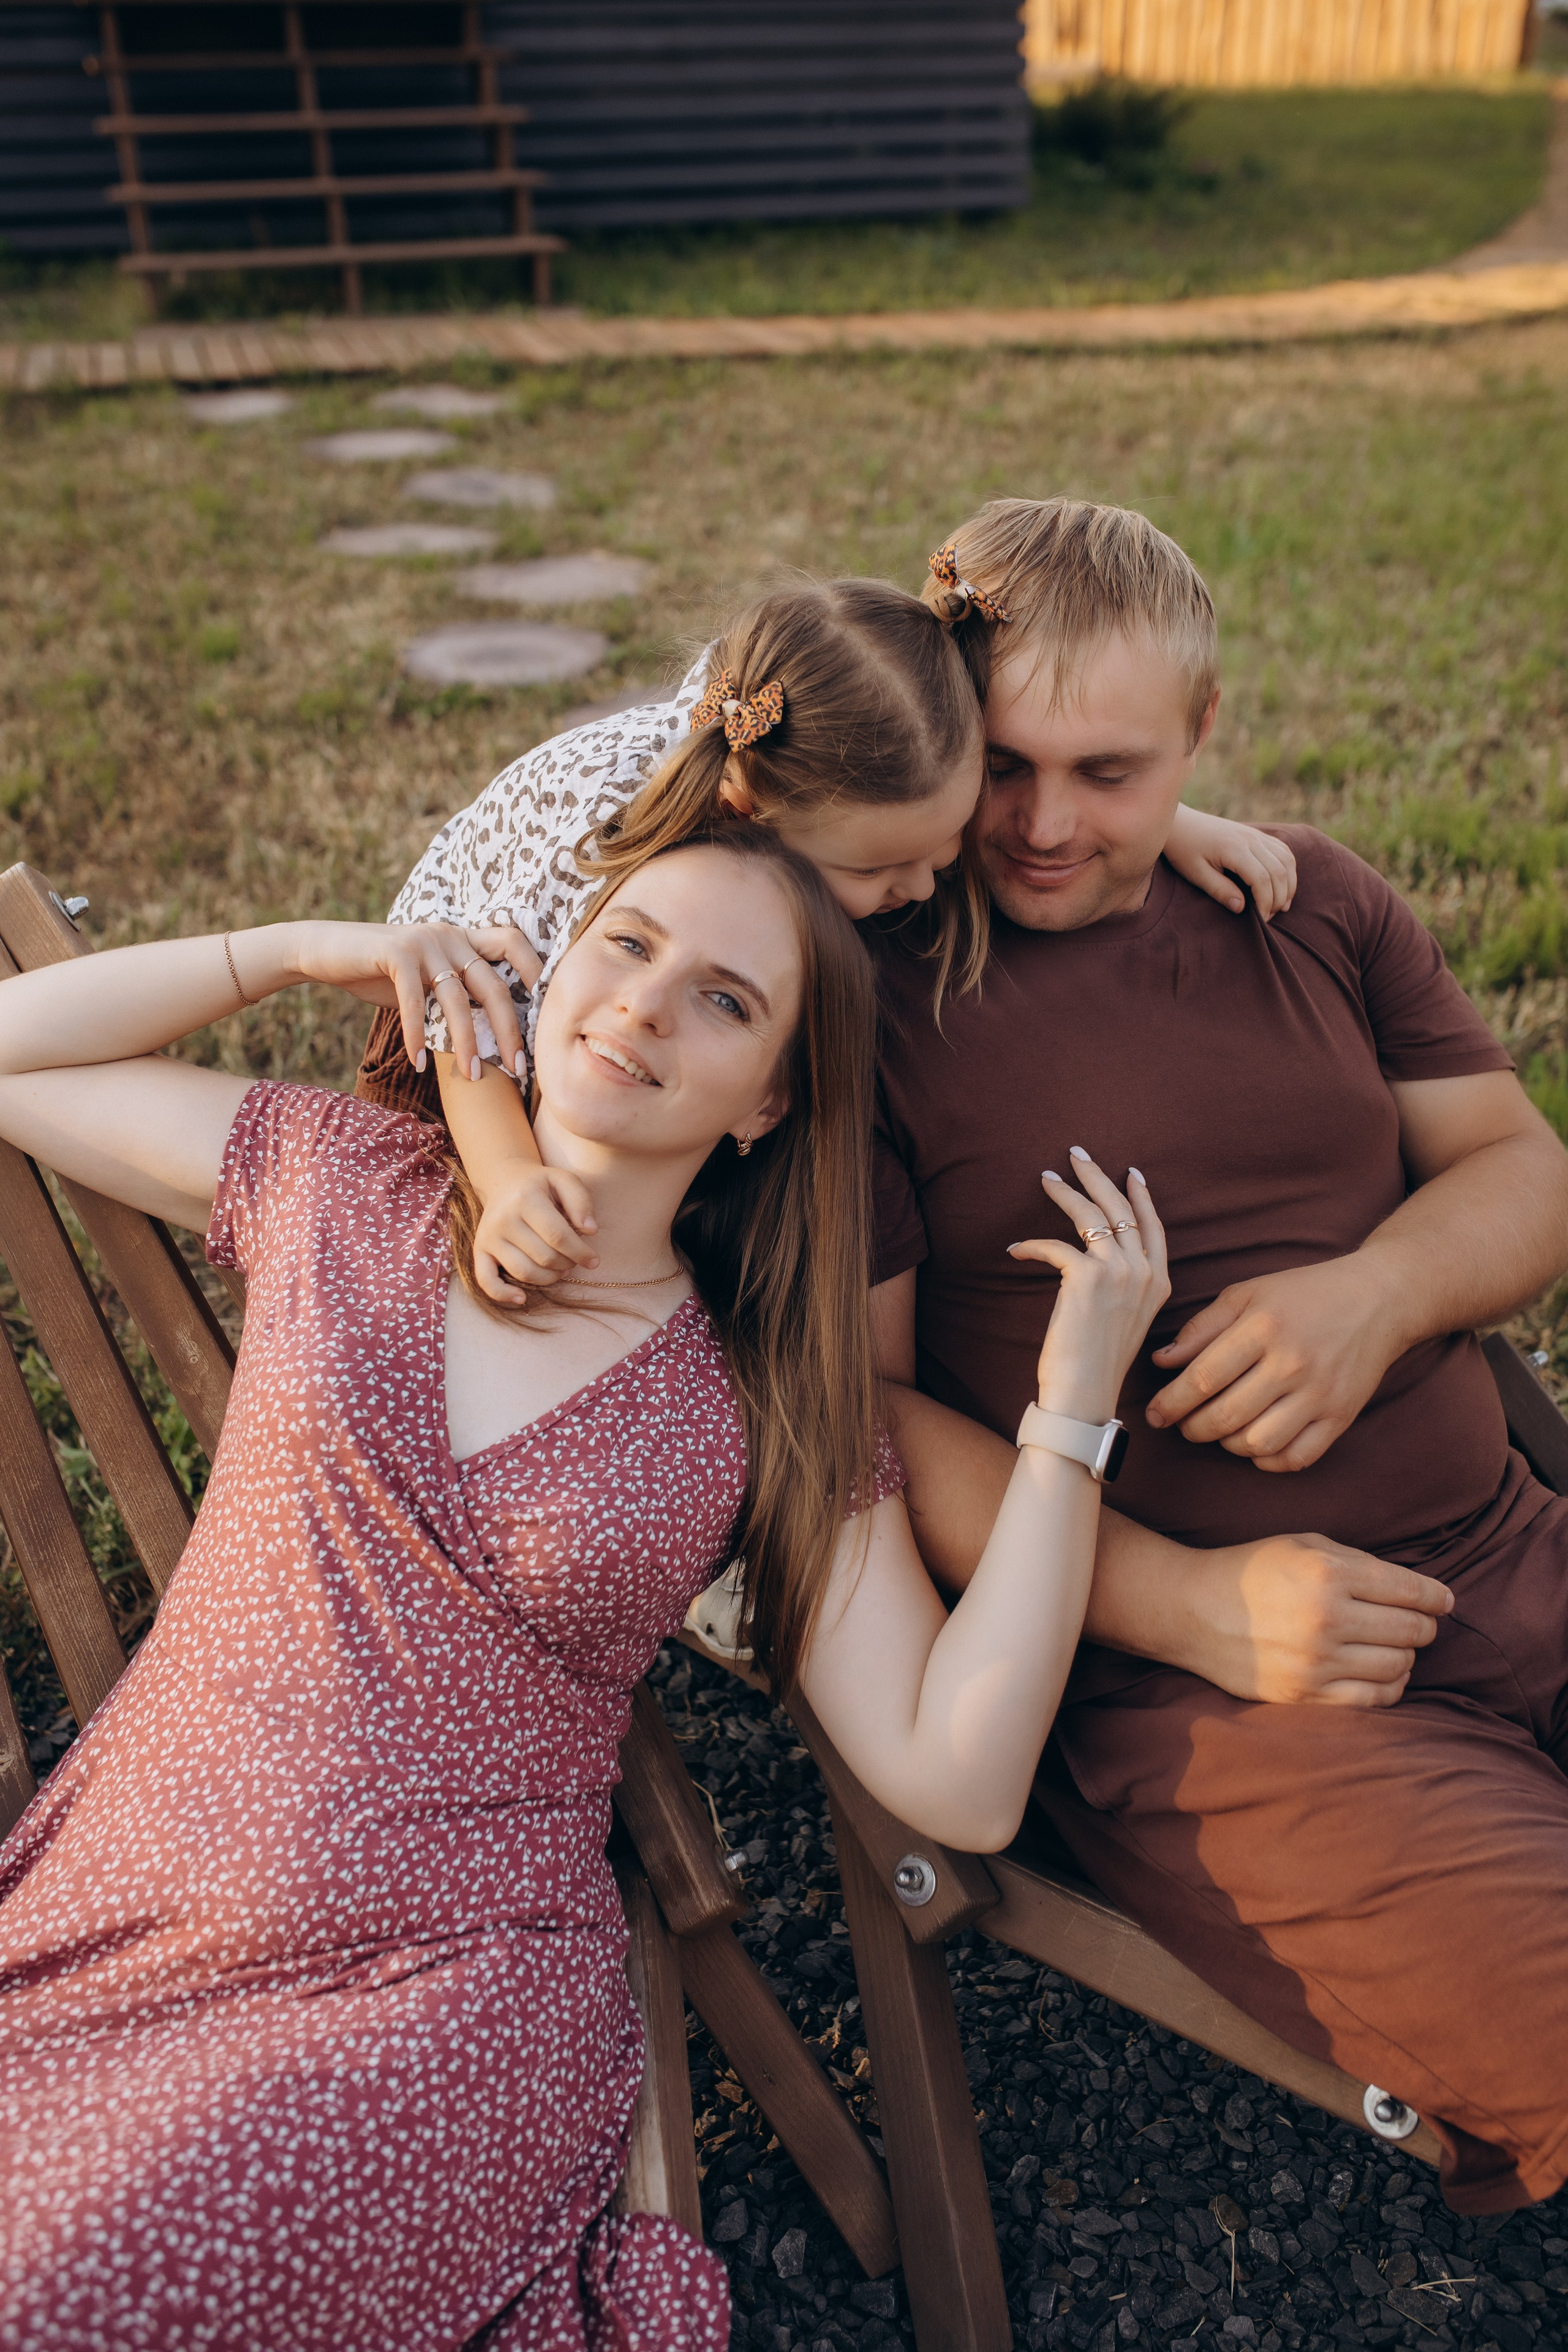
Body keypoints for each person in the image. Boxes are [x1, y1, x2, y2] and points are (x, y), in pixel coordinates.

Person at [0, 826, 1167, 2349]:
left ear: (767, 1107)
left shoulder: (760, 1408)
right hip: (132, 1897)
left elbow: (958, 1775)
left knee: (67, 2279)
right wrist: (303, 949)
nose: (646, 1004)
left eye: (726, 1001)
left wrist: (1070, 1417)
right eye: (626, 946)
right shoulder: (345, 1179)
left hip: (445, 1985)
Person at [870, 494, 1568, 2215]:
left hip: (1508, 1549)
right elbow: (856, 1419)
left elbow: (1523, 1166)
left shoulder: (1307, 903)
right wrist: (1192, 1608)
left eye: (1108, 775)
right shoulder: (869, 994)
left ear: (1203, 735)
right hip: (1222, 1702)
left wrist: (1383, 1292)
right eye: (1003, 769)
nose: (1039, 827)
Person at [355, 575, 1292, 1302]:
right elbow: (465, 1021)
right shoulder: (600, 850)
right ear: (750, 811)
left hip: (646, 1036)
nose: (923, 886)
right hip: (476, 1032)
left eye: (940, 849)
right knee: (499, 1261)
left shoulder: (825, 719)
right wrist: (510, 1177)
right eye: (883, 873)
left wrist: (1169, 822)